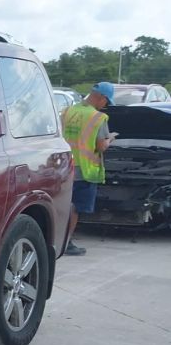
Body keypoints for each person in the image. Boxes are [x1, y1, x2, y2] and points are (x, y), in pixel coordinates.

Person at [61, 82, 115, 256]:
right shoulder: (98, 118)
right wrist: (110, 140)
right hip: (82, 170)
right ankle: (67, 243)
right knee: (74, 208)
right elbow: (100, 146)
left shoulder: (67, 111)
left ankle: (55, 240)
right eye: (106, 102)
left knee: (61, 205)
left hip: (61, 167)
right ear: (102, 97)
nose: (105, 106)